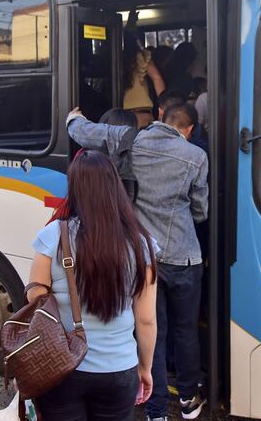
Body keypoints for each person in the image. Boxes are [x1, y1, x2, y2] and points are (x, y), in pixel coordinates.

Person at [67, 103, 208, 421]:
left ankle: (156, 411)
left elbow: (83, 132)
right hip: (186, 258)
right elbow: (201, 209)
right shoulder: (196, 155)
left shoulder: (131, 139)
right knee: (185, 331)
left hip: (146, 256)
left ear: (160, 116)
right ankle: (188, 399)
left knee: (151, 331)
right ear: (188, 130)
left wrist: (73, 117)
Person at [28, 150, 158, 420]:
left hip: (62, 366)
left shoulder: (52, 236)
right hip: (119, 369)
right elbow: (146, 320)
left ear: (74, 188)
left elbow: (35, 297)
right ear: (114, 187)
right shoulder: (140, 243)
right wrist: (145, 368)